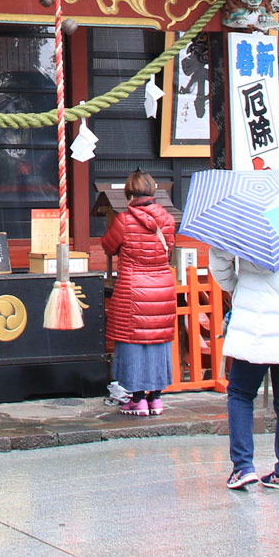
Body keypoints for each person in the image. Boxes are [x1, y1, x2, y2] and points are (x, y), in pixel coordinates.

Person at [210, 223, 279, 492]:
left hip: (254, 318)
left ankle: (243, 466)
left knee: (241, 393)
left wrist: (237, 288)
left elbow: (220, 263)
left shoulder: (241, 219)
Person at [100, 170, 178, 416]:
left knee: (133, 341)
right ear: (153, 192)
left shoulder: (124, 221)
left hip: (134, 287)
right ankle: (155, 399)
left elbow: (108, 246)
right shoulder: (167, 219)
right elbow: (169, 249)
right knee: (157, 340)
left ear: (129, 193)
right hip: (161, 287)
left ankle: (136, 399)